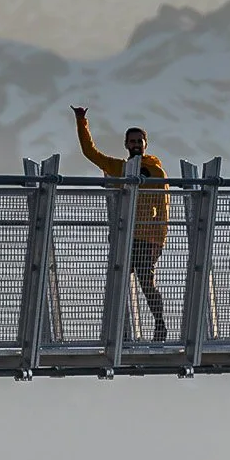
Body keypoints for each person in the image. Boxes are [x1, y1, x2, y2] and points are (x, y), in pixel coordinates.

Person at [72, 106, 172, 341]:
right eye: (132, 141)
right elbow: (90, 152)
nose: (136, 144)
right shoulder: (119, 167)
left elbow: (164, 206)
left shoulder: (156, 172)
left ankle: (160, 325)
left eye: (140, 140)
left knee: (146, 282)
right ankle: (120, 333)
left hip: (147, 237)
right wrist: (81, 121)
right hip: (125, 234)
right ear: (126, 145)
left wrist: (159, 240)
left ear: (146, 144)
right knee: (118, 281)